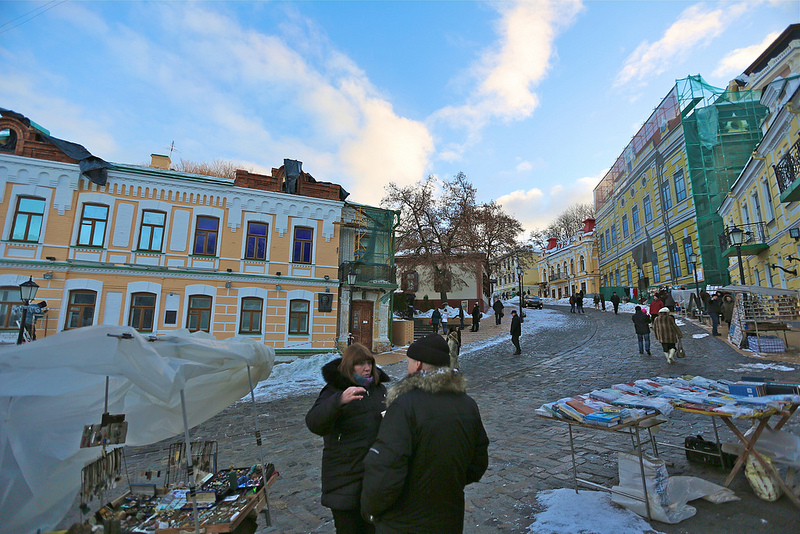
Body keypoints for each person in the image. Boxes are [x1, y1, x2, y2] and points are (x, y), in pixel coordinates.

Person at [361, 334, 489, 533]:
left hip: (403, 521)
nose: (408, 367)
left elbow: (384, 470)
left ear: (418, 365)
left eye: (409, 362)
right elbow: (478, 462)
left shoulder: (404, 406)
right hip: (449, 518)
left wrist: (370, 510)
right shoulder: (468, 404)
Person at [305, 344, 390, 534]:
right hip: (344, 478)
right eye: (360, 364)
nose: (367, 368)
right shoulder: (334, 389)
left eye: (369, 363)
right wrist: (338, 401)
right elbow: (314, 423)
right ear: (349, 366)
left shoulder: (378, 389)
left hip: (373, 480)